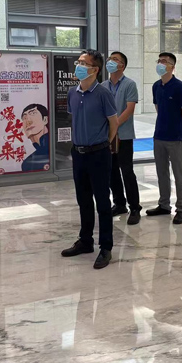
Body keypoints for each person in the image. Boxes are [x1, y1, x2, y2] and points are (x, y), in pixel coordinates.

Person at [62, 50, 119, 270]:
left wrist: (103, 144)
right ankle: (85, 241)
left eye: (83, 63)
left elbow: (113, 124)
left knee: (103, 202)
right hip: (79, 153)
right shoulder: (72, 93)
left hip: (98, 154)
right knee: (83, 199)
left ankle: (106, 247)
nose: (78, 65)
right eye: (78, 61)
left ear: (95, 69)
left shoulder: (103, 94)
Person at [147, 52, 182, 224]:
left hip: (175, 137)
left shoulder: (180, 87)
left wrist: (179, 129)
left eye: (164, 61)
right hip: (159, 135)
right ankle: (164, 204)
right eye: (159, 61)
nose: (160, 64)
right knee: (161, 172)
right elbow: (158, 108)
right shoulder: (156, 86)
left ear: (172, 66)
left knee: (179, 174)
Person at [102, 51, 142, 225]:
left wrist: (115, 124)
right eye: (110, 59)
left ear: (122, 66)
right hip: (106, 136)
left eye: (115, 59)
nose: (110, 61)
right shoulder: (103, 86)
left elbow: (130, 108)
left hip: (124, 136)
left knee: (127, 171)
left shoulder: (129, 84)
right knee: (111, 171)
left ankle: (135, 207)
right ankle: (119, 204)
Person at [20, 103, 50, 172]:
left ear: (45, 120)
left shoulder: (56, 148)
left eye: (33, 113)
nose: (28, 121)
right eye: (24, 118)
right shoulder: (27, 163)